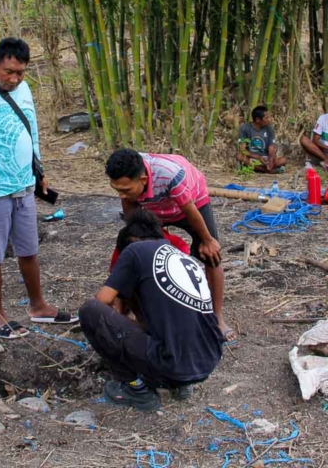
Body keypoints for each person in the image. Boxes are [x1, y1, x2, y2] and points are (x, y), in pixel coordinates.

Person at [0, 37, 77, 340]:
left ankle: (38, 306)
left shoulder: (24, 91)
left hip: (23, 186)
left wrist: (39, 173)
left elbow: (32, 131)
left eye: (20, 72)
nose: (14, 79)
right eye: (8, 71)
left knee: (29, 250)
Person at [79, 210, 224, 411]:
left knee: (90, 311)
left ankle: (136, 390)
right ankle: (181, 385)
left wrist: (118, 317)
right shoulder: (179, 256)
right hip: (208, 359)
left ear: (131, 241)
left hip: (172, 364)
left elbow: (102, 301)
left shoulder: (135, 250)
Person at [105, 148, 236, 345]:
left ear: (142, 180)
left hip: (190, 203)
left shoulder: (169, 174)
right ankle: (136, 313)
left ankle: (217, 318)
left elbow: (189, 210)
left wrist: (207, 240)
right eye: (117, 190)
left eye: (125, 190)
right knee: (133, 250)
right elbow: (133, 221)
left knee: (211, 256)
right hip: (153, 208)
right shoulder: (129, 179)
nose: (122, 196)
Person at [236, 105, 286, 174]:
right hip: (252, 158)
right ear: (258, 120)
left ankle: (260, 168)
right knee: (240, 156)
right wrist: (258, 157)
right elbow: (243, 150)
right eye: (266, 118)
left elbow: (271, 148)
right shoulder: (245, 128)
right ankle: (265, 170)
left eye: (269, 117)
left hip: (266, 159)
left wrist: (270, 160)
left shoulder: (269, 128)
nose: (269, 119)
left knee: (283, 160)